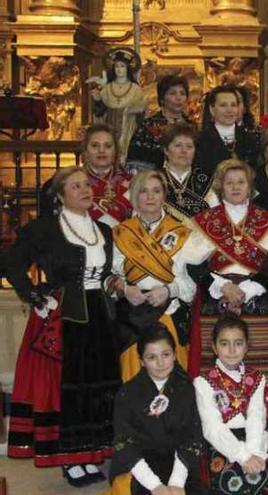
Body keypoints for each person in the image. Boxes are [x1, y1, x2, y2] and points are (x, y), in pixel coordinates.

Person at [6, 167, 119, 485]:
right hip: (65, 317)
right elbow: (12, 263)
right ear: (59, 195)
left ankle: (92, 451)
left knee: (97, 386)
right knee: (68, 389)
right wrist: (33, 293)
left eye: (87, 185)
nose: (84, 190)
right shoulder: (44, 229)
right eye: (75, 186)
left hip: (100, 314)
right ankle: (70, 458)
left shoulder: (104, 230)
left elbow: (104, 274)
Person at [183, 159, 268, 423]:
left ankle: (266, 415)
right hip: (216, 294)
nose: (234, 187)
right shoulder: (206, 220)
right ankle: (216, 415)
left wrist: (250, 288)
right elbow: (192, 265)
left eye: (240, 182)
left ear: (249, 186)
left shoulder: (264, 220)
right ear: (220, 186)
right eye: (229, 182)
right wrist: (223, 286)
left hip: (256, 294)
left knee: (259, 356)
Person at [110, 169, 196, 381]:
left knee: (174, 384)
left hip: (167, 314)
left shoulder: (182, 233)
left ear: (164, 195)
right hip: (131, 319)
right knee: (133, 382)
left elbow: (191, 284)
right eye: (144, 191)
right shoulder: (121, 232)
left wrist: (168, 290)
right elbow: (110, 276)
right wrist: (125, 288)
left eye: (156, 191)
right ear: (134, 196)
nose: (150, 197)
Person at [108, 325, 205, 495]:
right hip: (138, 465)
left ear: (175, 355)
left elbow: (192, 437)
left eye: (165, 355)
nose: (160, 363)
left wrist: (176, 482)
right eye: (151, 357)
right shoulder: (127, 393)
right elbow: (124, 443)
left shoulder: (187, 389)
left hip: (179, 462)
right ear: (141, 361)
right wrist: (155, 486)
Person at [194, 314, 268, 495]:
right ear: (214, 347)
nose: (232, 350)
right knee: (231, 484)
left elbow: (257, 416)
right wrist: (243, 456)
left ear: (247, 347)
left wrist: (254, 452)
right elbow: (212, 427)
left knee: (265, 483)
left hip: (252, 440)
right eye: (224, 344)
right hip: (222, 444)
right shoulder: (204, 382)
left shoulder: (257, 378)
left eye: (238, 343)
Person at [40, 124, 133, 226]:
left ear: (115, 151)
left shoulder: (134, 184)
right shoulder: (65, 182)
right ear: (85, 150)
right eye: (95, 145)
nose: (101, 150)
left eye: (108, 146)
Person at [90, 48, 146, 163]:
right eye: (117, 66)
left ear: (128, 69)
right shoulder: (107, 89)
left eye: (122, 66)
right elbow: (100, 112)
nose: (119, 69)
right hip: (110, 128)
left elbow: (142, 115)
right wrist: (98, 101)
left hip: (129, 130)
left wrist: (135, 111)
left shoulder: (135, 90)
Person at [127, 74, 193, 172]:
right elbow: (135, 163)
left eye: (182, 93)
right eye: (173, 93)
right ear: (162, 98)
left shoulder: (193, 128)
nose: (178, 98)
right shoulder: (147, 127)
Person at [196, 84, 262, 177]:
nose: (229, 110)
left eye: (233, 105)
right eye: (223, 105)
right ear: (212, 109)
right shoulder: (200, 140)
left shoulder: (250, 138)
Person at [160, 122, 214, 220]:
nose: (184, 151)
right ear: (166, 150)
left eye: (189, 146)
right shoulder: (153, 179)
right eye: (178, 145)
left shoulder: (208, 181)